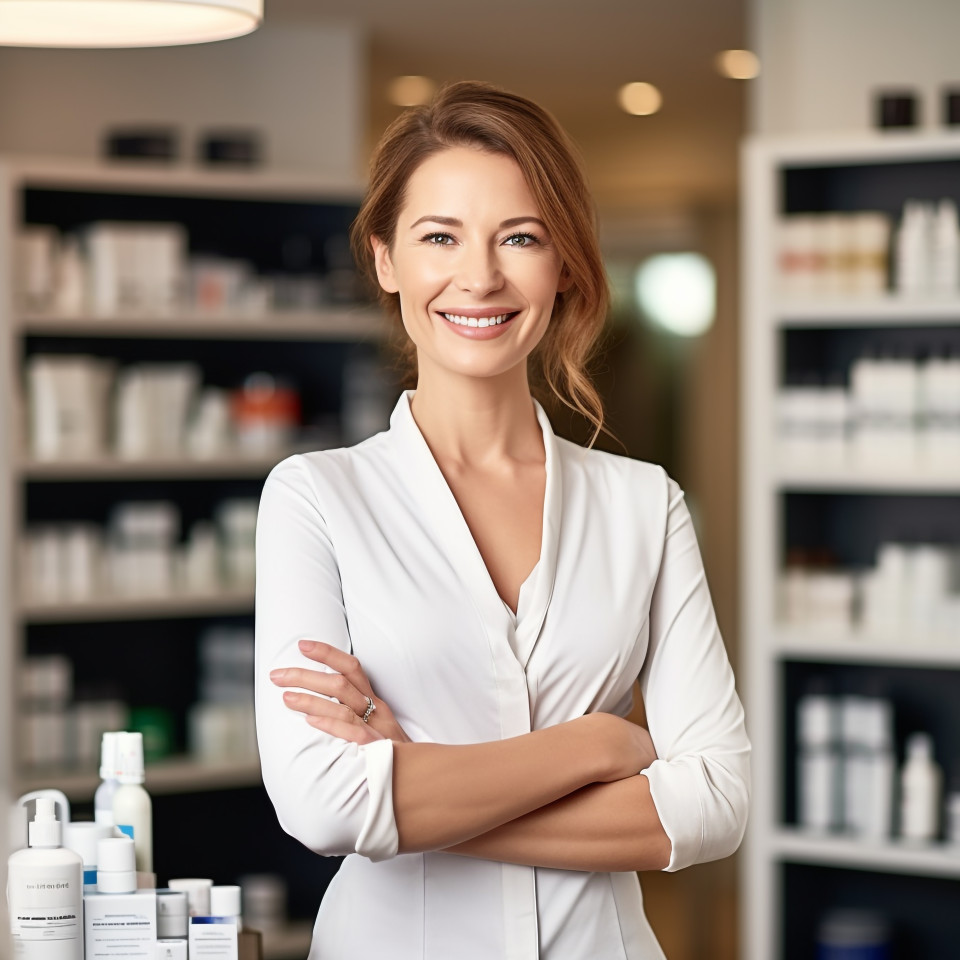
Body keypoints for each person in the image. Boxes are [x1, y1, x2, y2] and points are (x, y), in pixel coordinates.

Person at [255, 80, 750, 960]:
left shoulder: (646, 505)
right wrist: (598, 744)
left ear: (563, 265)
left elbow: (715, 805)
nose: (479, 276)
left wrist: (415, 793)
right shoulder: (316, 498)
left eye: (520, 237)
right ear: (386, 260)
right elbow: (324, 804)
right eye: (439, 237)